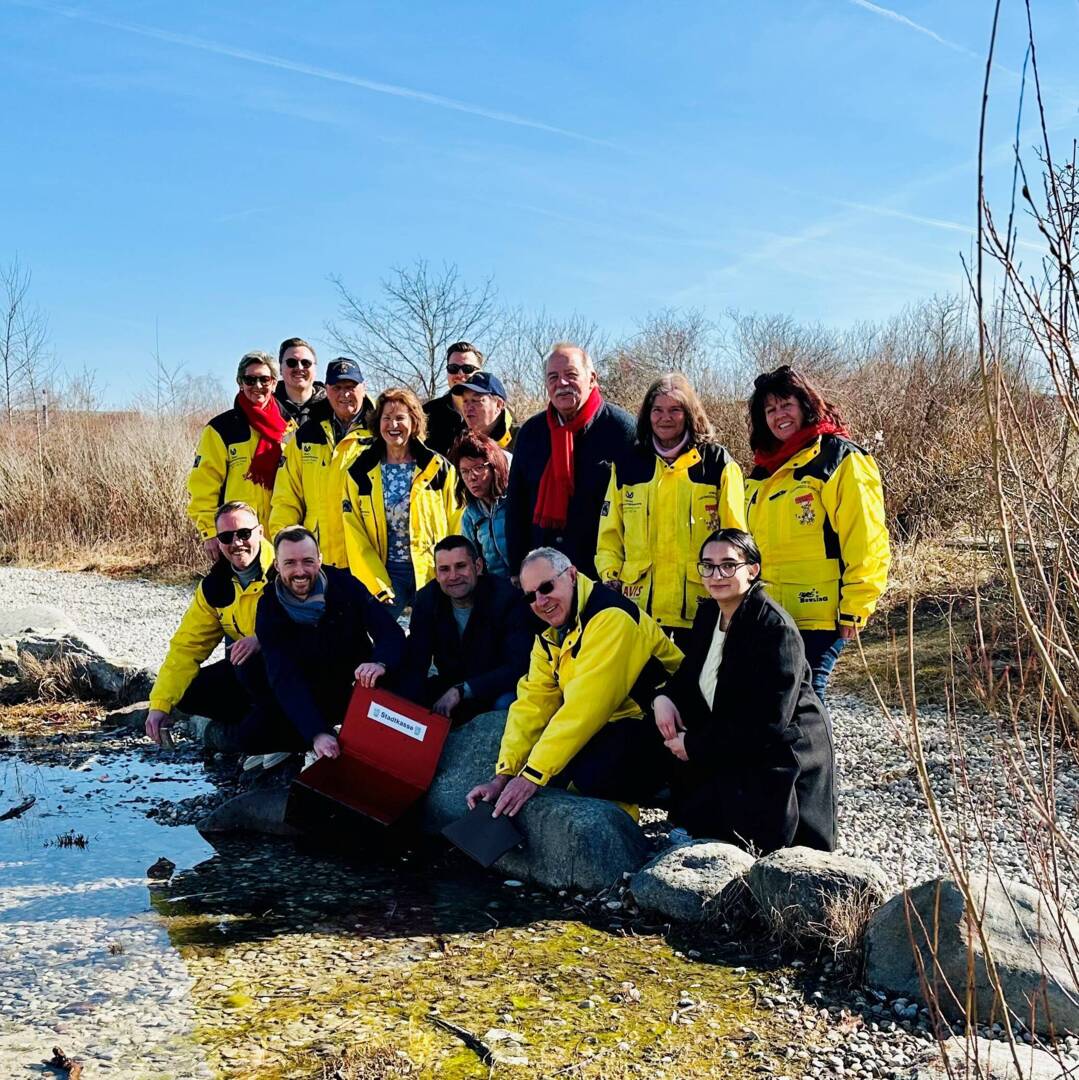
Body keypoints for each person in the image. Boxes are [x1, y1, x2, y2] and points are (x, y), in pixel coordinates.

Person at [652, 529, 836, 853]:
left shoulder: (775, 628)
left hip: (783, 755)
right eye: (707, 566)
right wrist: (664, 698)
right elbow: (690, 672)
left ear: (752, 569)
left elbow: (769, 723)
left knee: (762, 848)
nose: (716, 574)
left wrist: (694, 745)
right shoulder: (710, 613)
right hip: (735, 741)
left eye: (728, 565)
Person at [465, 547, 682, 819]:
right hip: (611, 722)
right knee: (548, 768)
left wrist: (531, 776)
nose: (540, 601)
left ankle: (628, 815)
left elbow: (585, 709)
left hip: (662, 728)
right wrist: (505, 775)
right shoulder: (549, 632)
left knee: (579, 771)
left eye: (546, 587)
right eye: (531, 596)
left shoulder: (610, 616)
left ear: (571, 575)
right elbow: (533, 704)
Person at [745, 366, 890, 699]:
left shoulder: (841, 459)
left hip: (819, 615)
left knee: (806, 698)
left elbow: (866, 537)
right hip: (771, 611)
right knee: (775, 702)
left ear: (806, 404)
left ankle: (816, 753)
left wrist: (856, 605)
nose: (778, 415)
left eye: (786, 405)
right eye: (770, 410)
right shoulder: (762, 470)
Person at [596, 373, 746, 647]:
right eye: (658, 410)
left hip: (702, 606)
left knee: (698, 687)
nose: (665, 418)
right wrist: (610, 579)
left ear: (689, 413)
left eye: (675, 410)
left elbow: (736, 538)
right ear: (647, 414)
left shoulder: (717, 463)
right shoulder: (628, 465)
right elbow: (609, 536)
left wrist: (734, 594)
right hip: (640, 606)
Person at [254, 526, 407, 758]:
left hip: (358, 686)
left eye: (307, 561)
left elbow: (390, 632)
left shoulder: (346, 585)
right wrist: (317, 733)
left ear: (320, 560)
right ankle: (311, 743)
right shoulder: (268, 607)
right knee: (252, 733)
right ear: (277, 565)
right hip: (309, 692)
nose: (300, 571)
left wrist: (380, 662)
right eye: (290, 563)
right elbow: (283, 676)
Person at [145, 502, 274, 747]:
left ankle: (280, 732)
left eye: (244, 534)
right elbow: (186, 647)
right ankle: (258, 725)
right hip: (255, 676)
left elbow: (312, 629)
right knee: (186, 693)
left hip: (295, 670)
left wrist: (263, 640)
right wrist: (160, 703)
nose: (236, 543)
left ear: (260, 532)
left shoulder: (285, 567)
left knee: (249, 666)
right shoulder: (215, 586)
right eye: (226, 537)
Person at [326, 388, 462, 619]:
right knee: (383, 643)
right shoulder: (361, 470)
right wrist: (376, 581)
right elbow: (354, 532)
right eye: (386, 418)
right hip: (386, 572)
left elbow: (456, 522)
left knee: (431, 644)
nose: (393, 425)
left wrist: (450, 572)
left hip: (430, 571)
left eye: (400, 418)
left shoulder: (438, 468)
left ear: (414, 421)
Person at [504, 343, 635, 580]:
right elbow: (517, 506)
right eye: (553, 377)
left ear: (592, 378)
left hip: (603, 575)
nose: (562, 384)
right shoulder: (531, 433)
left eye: (571, 375)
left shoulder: (622, 431)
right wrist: (517, 569)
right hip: (545, 578)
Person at [403, 536, 534, 723]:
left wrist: (463, 689)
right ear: (436, 574)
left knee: (508, 704)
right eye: (444, 569)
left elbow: (519, 665)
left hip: (497, 688)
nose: (453, 576)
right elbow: (416, 659)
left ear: (478, 566)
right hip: (450, 686)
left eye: (461, 566)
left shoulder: (506, 598)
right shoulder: (426, 600)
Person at [269, 357, 376, 555]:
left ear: (364, 387)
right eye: (337, 387)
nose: (344, 394)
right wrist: (283, 543)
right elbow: (286, 498)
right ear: (326, 390)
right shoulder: (307, 434)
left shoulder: (381, 431)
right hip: (317, 555)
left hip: (369, 553)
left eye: (351, 386)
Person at [187, 351, 289, 559]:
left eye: (264, 379)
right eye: (250, 379)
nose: (257, 385)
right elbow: (204, 485)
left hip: (282, 535)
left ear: (274, 383)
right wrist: (210, 531)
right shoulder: (221, 429)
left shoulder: (290, 426)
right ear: (240, 383)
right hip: (237, 538)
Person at [449, 432, 512, 578]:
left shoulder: (516, 500)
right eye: (464, 471)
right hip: (496, 591)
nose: (471, 477)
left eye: (478, 468)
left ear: (493, 467)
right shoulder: (470, 516)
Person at [423, 341, 488, 456]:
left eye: (468, 368)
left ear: (480, 372)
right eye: (453, 368)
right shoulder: (426, 413)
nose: (460, 374)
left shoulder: (495, 412)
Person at [449, 370, 515, 451]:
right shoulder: (456, 441)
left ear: (498, 405)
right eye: (465, 401)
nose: (468, 407)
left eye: (475, 400)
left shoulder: (523, 438)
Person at [275, 337, 327, 428]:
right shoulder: (267, 407)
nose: (299, 368)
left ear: (315, 369)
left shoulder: (332, 407)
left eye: (306, 363)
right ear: (280, 369)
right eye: (291, 362)